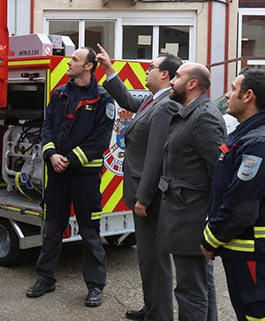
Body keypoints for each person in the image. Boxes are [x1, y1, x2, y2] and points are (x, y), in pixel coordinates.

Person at [200, 68, 265, 320]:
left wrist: (210, 240)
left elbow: (240, 206)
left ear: (248, 96)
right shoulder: (246, 136)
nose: (228, 95)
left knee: (257, 316)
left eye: (232, 89)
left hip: (253, 251)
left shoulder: (258, 145)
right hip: (244, 249)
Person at [96, 45, 181, 321]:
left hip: (151, 197)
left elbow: (157, 156)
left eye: (152, 68)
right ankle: (151, 307)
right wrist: (109, 69)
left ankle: (160, 315)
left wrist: (144, 197)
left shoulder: (166, 103)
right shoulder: (152, 99)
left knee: (155, 259)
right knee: (146, 258)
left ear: (165, 74)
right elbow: (127, 100)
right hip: (142, 193)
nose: (147, 70)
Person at [26, 46, 115, 308]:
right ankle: (46, 278)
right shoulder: (60, 93)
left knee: (90, 233)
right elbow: (48, 127)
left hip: (85, 176)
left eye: (75, 59)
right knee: (52, 228)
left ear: (89, 66)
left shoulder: (103, 99)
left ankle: (95, 287)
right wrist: (52, 155)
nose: (69, 62)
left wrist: (71, 158)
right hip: (57, 173)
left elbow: (101, 140)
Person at [158, 62, 225, 320]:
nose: (171, 81)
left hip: (191, 218)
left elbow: (219, 175)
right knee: (200, 286)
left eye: (177, 76)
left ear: (192, 84)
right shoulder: (189, 112)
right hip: (184, 215)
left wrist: (212, 225)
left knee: (190, 290)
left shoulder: (204, 117)